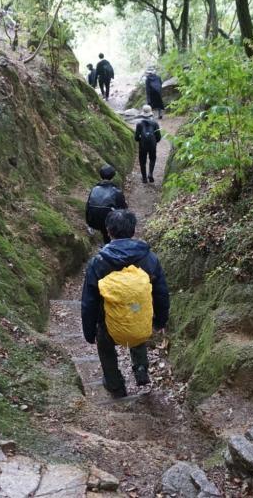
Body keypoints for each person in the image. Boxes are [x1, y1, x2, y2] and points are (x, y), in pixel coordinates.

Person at [81, 210, 169, 398]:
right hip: (138, 314)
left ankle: (115, 384)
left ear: (108, 231)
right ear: (133, 230)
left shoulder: (98, 262)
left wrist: (89, 332)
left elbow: (89, 301)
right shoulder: (149, 258)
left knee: (104, 343)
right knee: (135, 317)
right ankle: (141, 369)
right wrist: (160, 320)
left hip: (108, 321)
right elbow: (161, 292)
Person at [85, 164, 127, 244]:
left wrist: (88, 222)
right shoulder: (116, 191)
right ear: (113, 176)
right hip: (108, 222)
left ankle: (106, 243)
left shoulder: (94, 189)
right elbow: (123, 208)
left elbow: (88, 206)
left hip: (93, 222)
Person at [134, 105, 162, 184]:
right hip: (152, 144)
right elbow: (159, 136)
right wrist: (155, 142)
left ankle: (144, 178)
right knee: (152, 158)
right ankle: (150, 173)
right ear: (151, 112)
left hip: (142, 145)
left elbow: (136, 137)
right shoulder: (155, 123)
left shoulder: (139, 124)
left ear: (143, 113)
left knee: (142, 161)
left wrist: (140, 140)